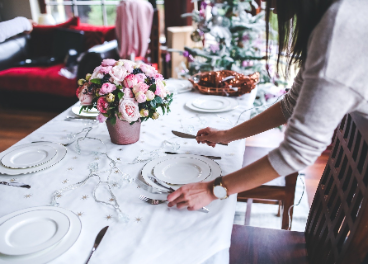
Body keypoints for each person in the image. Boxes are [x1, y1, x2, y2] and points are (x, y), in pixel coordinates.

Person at [167, 0, 368, 210]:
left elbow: (298, 152)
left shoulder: (340, 28)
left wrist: (214, 189)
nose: (262, 4)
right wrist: (226, 135)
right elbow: (290, 105)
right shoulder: (335, 16)